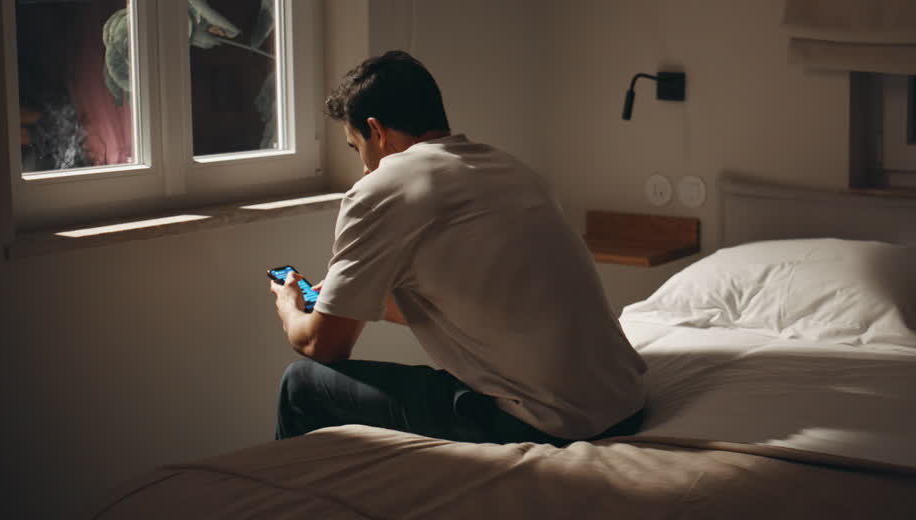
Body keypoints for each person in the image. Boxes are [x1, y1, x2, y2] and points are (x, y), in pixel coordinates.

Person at [270, 50, 646, 445]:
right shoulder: (509, 169)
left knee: (301, 385)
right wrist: (352, 302)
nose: (364, 168)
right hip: (624, 405)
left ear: (376, 131)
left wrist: (291, 306)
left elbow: (323, 345)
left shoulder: (381, 188)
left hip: (551, 423)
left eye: (355, 146)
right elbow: (475, 300)